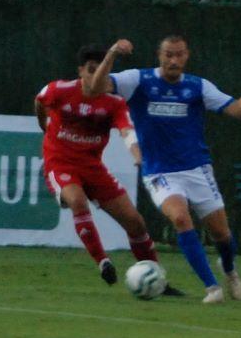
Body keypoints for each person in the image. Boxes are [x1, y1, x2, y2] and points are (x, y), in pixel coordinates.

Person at [82, 33, 241, 305]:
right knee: (180, 218)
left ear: (186, 56)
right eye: (168, 54)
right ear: (159, 55)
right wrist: (111, 55)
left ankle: (229, 271)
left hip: (197, 170)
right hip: (159, 172)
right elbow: (96, 88)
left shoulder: (198, 87)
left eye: (179, 55)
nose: (173, 60)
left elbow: (239, 110)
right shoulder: (138, 80)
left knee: (222, 235)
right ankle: (212, 287)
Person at [35, 48, 158, 285]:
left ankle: (156, 278)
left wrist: (136, 154)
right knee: (77, 201)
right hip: (59, 162)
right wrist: (44, 123)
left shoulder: (114, 103)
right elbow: (40, 101)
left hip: (92, 167)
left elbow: (126, 130)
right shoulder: (60, 90)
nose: (96, 76)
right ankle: (103, 261)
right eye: (91, 70)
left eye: (102, 71)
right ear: (81, 70)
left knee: (135, 222)